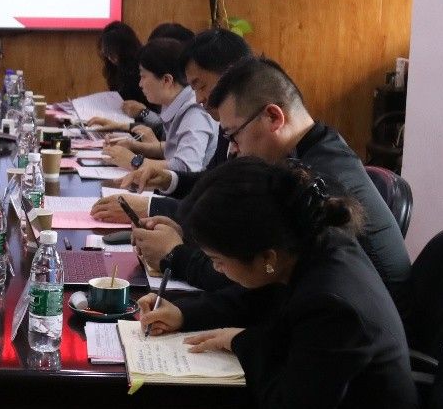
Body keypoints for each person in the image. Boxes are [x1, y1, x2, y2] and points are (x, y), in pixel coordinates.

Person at [141, 158, 436, 409]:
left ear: (266, 256)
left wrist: (243, 343)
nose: (216, 269)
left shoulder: (332, 304)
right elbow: (259, 298)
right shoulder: (313, 246)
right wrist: (185, 314)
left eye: (218, 260)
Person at [123, 57, 413, 309]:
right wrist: (192, 236)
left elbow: (261, 278)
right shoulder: (316, 147)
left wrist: (175, 255)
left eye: (234, 135)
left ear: (273, 117)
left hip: (349, 332)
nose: (232, 149)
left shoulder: (319, 182)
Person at [92, 27, 250, 218]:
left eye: (201, 86)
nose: (198, 98)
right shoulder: (223, 127)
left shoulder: (196, 113)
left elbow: (192, 170)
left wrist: (137, 163)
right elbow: (208, 181)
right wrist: (166, 179)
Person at [101, 38, 217, 174]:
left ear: (166, 80)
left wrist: (133, 161)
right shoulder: (177, 103)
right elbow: (174, 148)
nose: (140, 84)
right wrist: (133, 146)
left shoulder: (194, 113)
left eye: (143, 76)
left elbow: (186, 167)